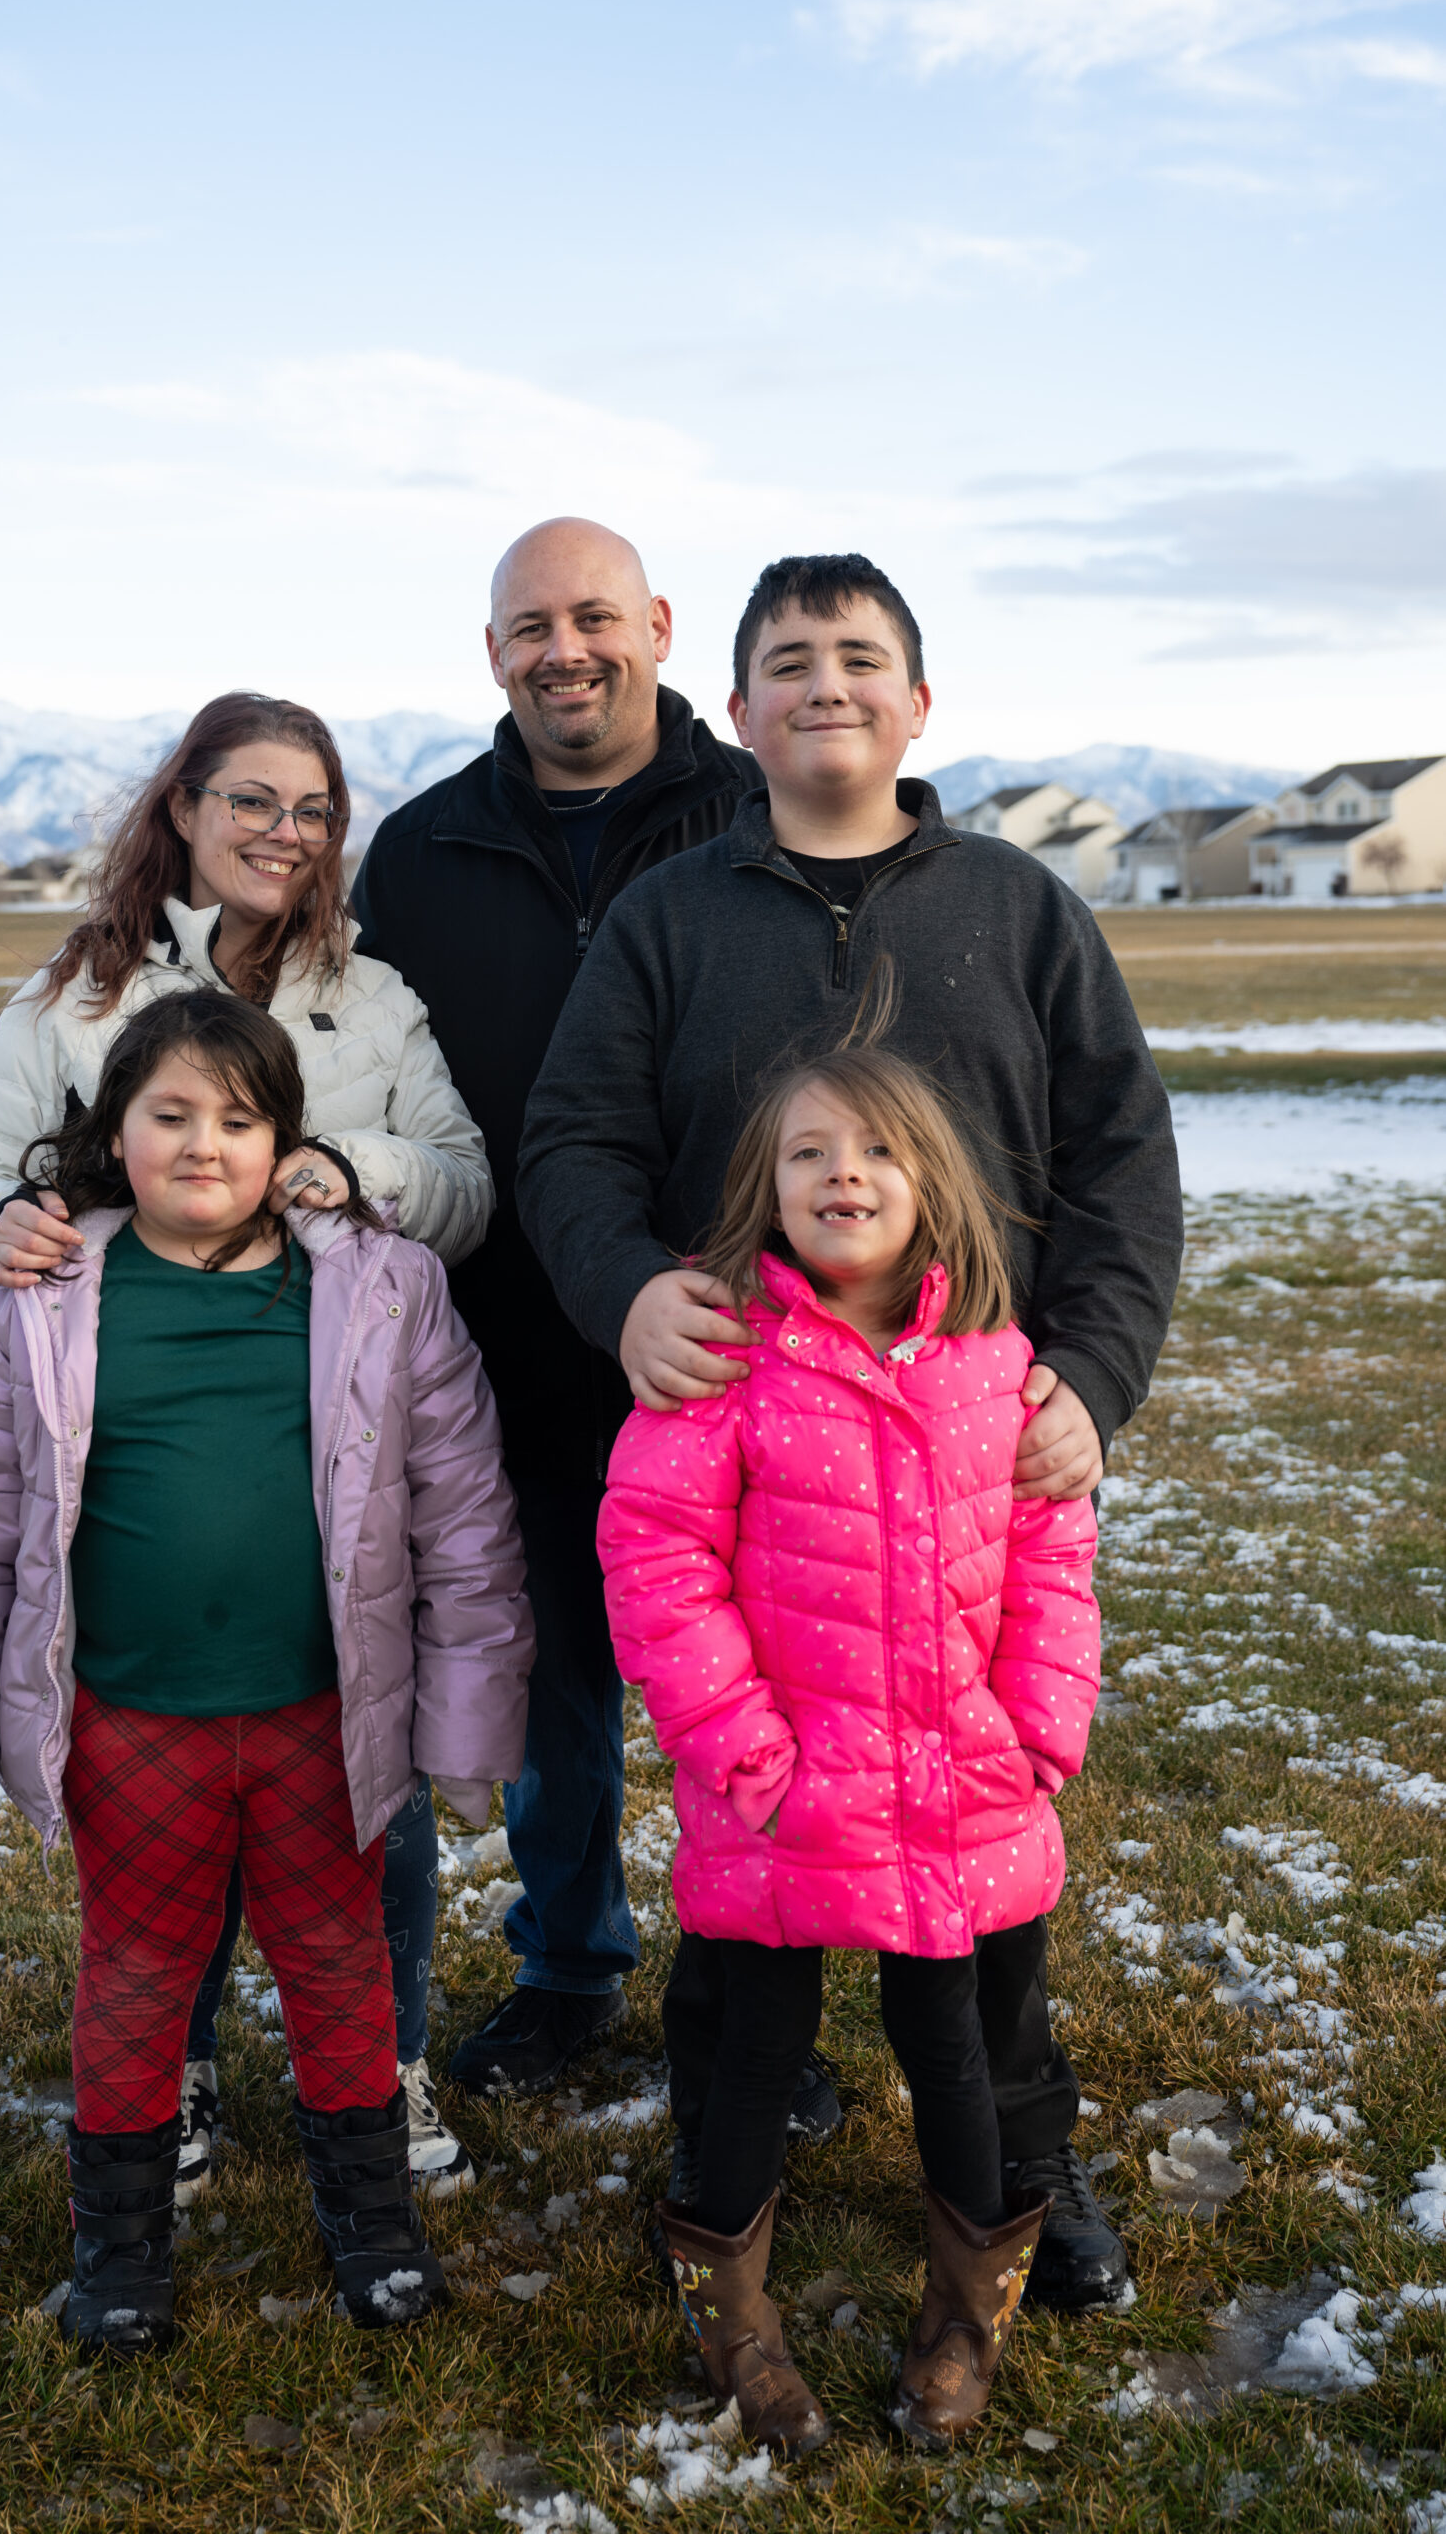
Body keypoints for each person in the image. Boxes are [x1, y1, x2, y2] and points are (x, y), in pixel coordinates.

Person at [516, 552, 1184, 2310]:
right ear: (735, 712)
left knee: (981, 1851)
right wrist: (626, 1292)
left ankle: (1024, 2155)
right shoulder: (671, 919)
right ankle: (732, 2134)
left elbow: (1123, 1160)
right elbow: (573, 1137)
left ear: (919, 702)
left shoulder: (1020, 911)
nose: (828, 681)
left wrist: (1093, 1375)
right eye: (792, 660)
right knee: (755, 1843)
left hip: (970, 1455)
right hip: (762, 1467)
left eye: (862, 655)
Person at [0, 989, 532, 2355]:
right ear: (111, 1133)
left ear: (286, 1142)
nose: (202, 1145)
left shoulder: (381, 1290)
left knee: (340, 1961)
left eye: (238, 1120)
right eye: (168, 1115)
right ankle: (119, 2246)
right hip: (133, 1723)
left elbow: (467, 1522)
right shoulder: (42, 1303)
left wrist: (470, 1730)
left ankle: (372, 2219)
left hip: (320, 1720)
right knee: (135, 1973)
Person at [0, 690, 492, 2200]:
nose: (282, 833)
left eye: (312, 809)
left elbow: (462, 1180)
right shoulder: (79, 997)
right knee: (159, 1809)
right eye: (250, 799)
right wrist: (2, 1225)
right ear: (182, 807)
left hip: (326, 1428)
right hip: (144, 1412)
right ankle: (167, 2073)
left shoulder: (372, 1000)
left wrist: (352, 1166)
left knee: (360, 1775)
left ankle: (389, 2060)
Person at [351, 521, 854, 2124]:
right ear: (492, 653)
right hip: (504, 1337)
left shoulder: (753, 810)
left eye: (592, 617)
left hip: (735, 1340)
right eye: (529, 626)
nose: (562, 650)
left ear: (657, 625)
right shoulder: (423, 849)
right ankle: (570, 1965)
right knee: (553, 1683)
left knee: (762, 1688)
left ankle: (767, 2004)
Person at [599, 1046, 1100, 2449]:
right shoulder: (725, 1359)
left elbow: (1053, 1559)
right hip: (782, 1794)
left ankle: (964, 2315)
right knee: (755, 2048)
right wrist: (749, 1758)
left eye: (878, 1151)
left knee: (953, 2044)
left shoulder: (996, 1369)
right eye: (810, 1152)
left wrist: (1036, 1733)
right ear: (765, 1188)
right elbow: (657, 1560)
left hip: (956, 1791)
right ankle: (732, 2316)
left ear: (932, 1182)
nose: (845, 1175)